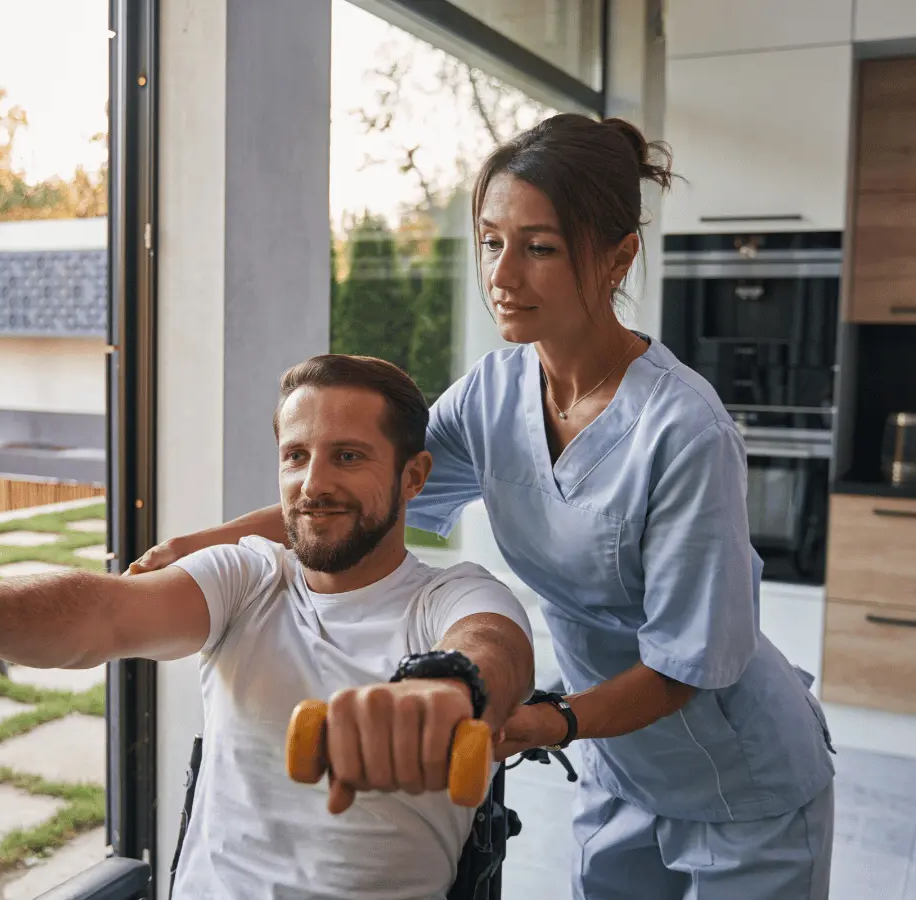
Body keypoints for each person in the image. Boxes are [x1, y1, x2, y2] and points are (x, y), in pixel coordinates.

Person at [129, 114, 838, 899]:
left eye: (539, 248)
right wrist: (205, 542)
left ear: (617, 258)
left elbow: (689, 664)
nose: (503, 275)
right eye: (492, 242)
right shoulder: (494, 394)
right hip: (619, 762)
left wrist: (552, 720)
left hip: (739, 772)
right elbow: (364, 495)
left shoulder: (683, 430)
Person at [0, 354, 538, 899]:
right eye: (296, 456)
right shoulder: (251, 574)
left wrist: (447, 688)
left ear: (414, 477)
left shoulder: (453, 594)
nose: (313, 484)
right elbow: (99, 613)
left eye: (347, 456)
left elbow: (494, 651)